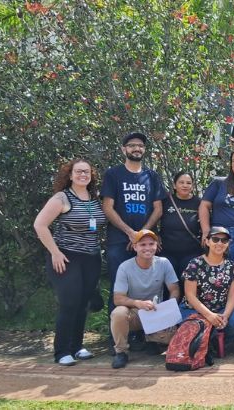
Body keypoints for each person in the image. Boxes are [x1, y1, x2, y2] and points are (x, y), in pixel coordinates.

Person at [34, 159, 107, 366]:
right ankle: (62, 351)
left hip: (91, 257)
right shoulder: (62, 197)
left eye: (86, 172)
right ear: (70, 174)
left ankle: (77, 346)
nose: (83, 175)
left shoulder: (94, 198)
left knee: (83, 303)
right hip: (66, 256)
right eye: (78, 172)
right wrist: (55, 252)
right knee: (69, 303)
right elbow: (40, 225)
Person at [102, 132, 166, 348]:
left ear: (144, 150)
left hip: (146, 242)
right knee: (119, 288)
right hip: (119, 241)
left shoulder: (152, 176)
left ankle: (147, 336)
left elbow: (158, 209)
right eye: (132, 145)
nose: (136, 149)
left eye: (140, 145)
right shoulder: (113, 174)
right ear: (123, 149)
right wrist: (130, 233)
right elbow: (107, 207)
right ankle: (118, 338)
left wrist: (141, 235)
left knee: (150, 288)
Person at [110, 230, 180, 368]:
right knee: (118, 313)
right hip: (134, 312)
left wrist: (168, 309)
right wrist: (137, 303)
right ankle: (121, 352)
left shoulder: (164, 263)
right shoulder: (125, 267)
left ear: (157, 245)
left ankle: (151, 340)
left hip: (156, 312)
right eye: (142, 244)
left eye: (151, 244)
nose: (147, 248)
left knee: (174, 341)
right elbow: (118, 299)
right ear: (135, 247)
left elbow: (175, 290)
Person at [180, 227, 234, 342]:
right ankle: (206, 341)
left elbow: (232, 296)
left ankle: (216, 342)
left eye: (224, 240)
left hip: (220, 310)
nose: (220, 243)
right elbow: (190, 295)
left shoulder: (232, 267)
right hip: (193, 310)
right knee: (195, 326)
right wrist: (209, 315)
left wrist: (225, 316)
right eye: (215, 239)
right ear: (207, 241)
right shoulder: (195, 264)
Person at [160, 171, 202, 282]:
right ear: (174, 185)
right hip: (167, 252)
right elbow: (155, 219)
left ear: (192, 186)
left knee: (187, 285)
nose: (185, 185)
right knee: (169, 285)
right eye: (181, 182)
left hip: (191, 253)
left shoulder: (199, 203)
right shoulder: (165, 202)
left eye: (188, 183)